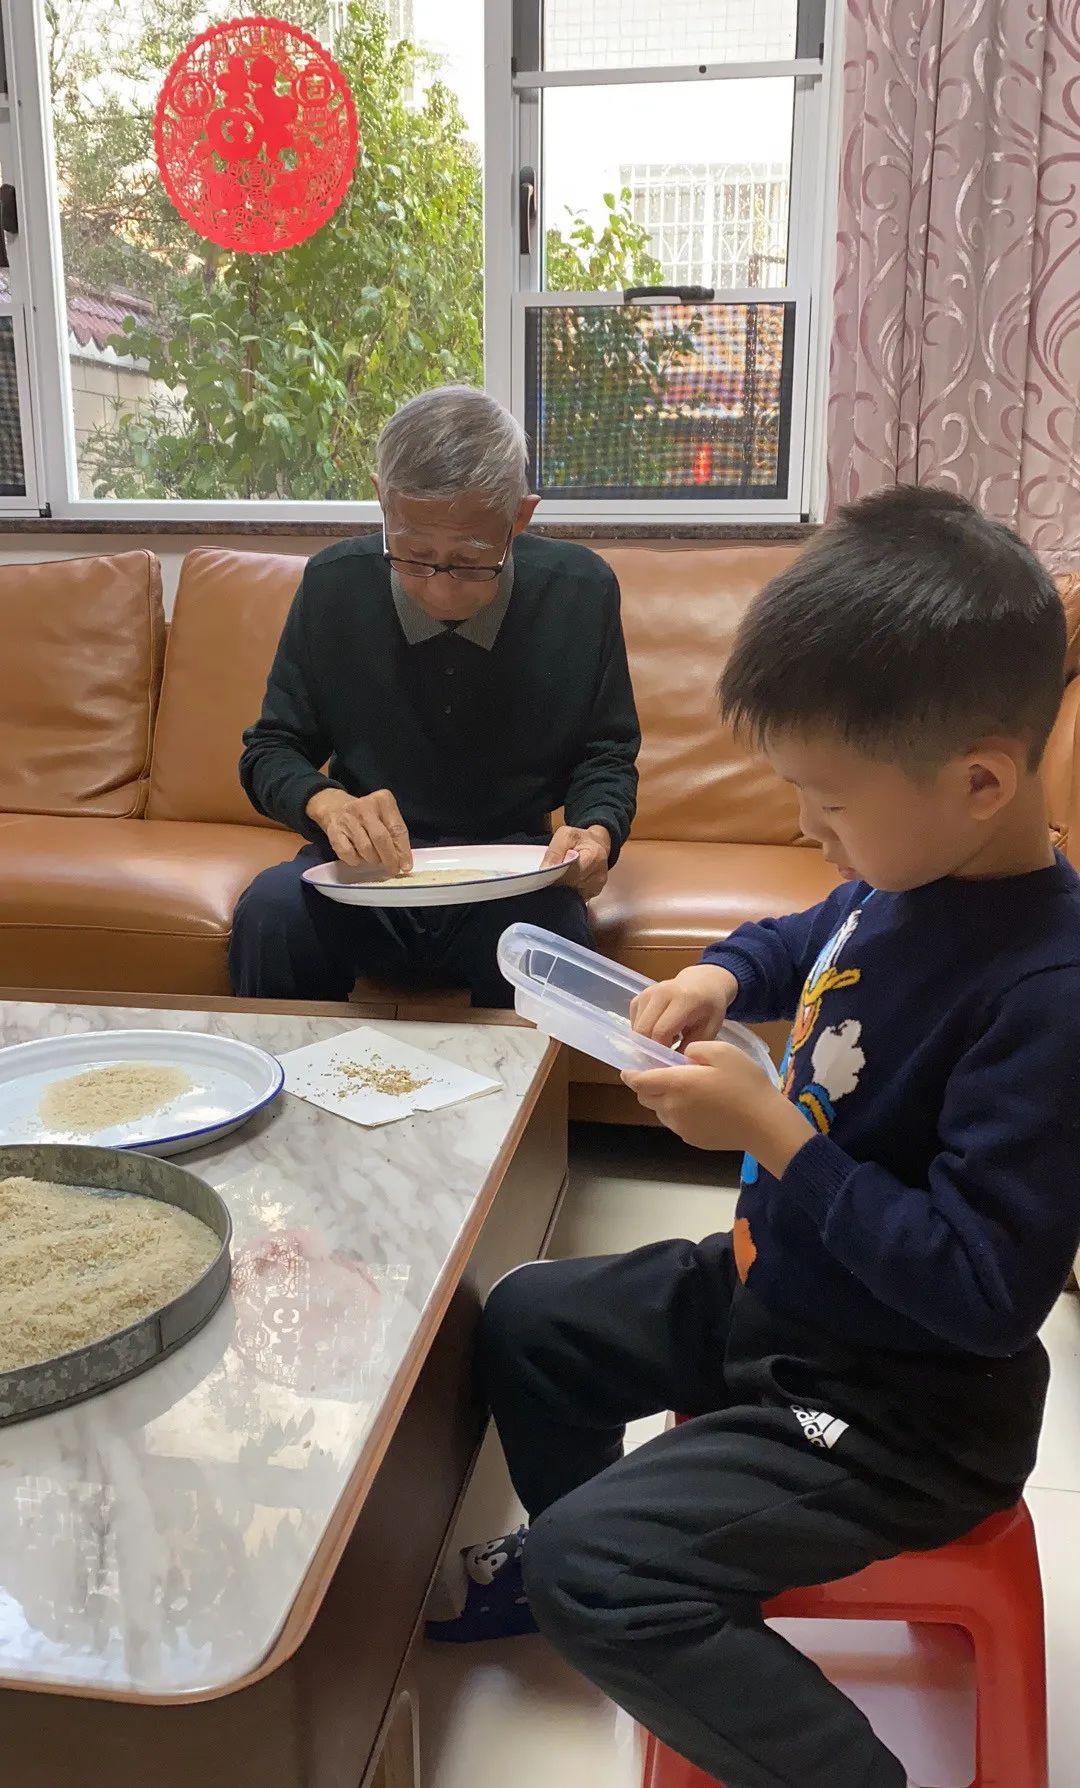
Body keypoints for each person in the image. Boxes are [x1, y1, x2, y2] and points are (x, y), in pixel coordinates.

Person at [427, 487, 1080, 1788]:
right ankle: (613, 1586)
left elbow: (984, 1293)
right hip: (782, 1299)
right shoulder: (906, 876)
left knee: (591, 1570)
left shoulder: (1046, 997)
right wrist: (723, 974)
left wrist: (782, 1138)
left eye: (827, 801)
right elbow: (808, 935)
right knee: (531, 1322)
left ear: (981, 781)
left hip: (901, 1415)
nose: (806, 830)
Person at [230, 387, 639, 1006]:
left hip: (511, 879)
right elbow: (270, 749)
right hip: (366, 876)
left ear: (519, 518)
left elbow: (605, 754)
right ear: (382, 500)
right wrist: (328, 804)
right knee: (271, 911)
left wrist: (595, 832)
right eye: (414, 556)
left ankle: (523, 1079)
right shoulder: (334, 585)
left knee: (551, 936)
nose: (440, 589)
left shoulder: (580, 591)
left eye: (471, 560)